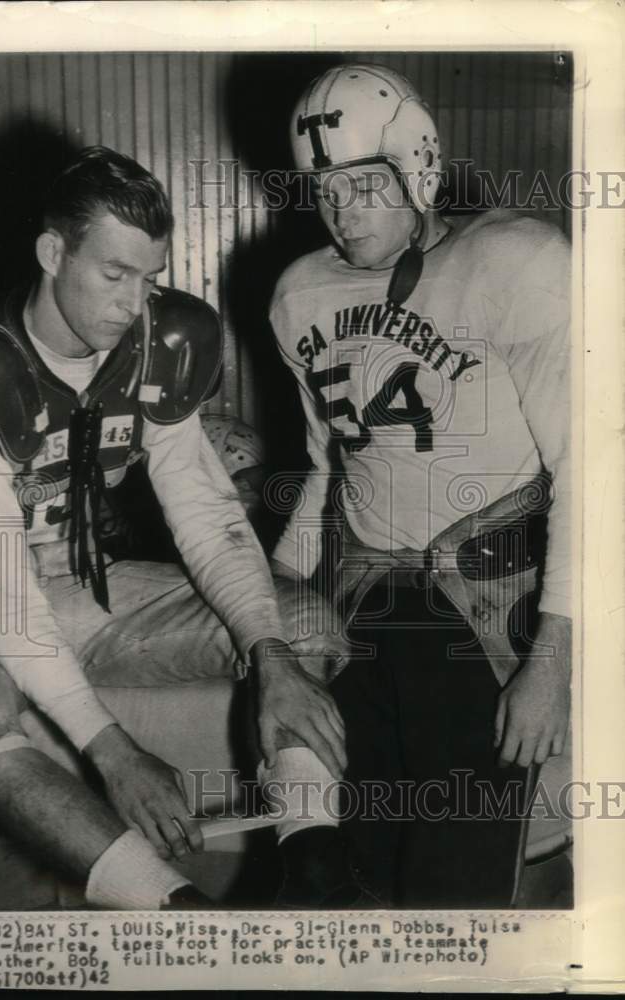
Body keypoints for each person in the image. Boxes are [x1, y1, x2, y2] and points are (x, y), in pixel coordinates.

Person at [0, 145, 362, 910]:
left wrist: (265, 654)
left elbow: (203, 512)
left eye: (150, 277)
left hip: (71, 581)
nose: (134, 303)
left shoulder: (163, 339)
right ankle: (174, 912)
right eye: (113, 274)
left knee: (299, 625)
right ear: (51, 252)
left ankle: (315, 875)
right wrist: (113, 750)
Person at [268, 64, 572, 907]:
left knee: (456, 892)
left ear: (419, 168)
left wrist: (552, 657)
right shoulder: (299, 294)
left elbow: (592, 469)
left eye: (365, 181)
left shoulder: (516, 259)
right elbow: (327, 467)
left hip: (485, 608)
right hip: (366, 602)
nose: (342, 207)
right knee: (352, 875)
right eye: (324, 187)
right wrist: (278, 595)